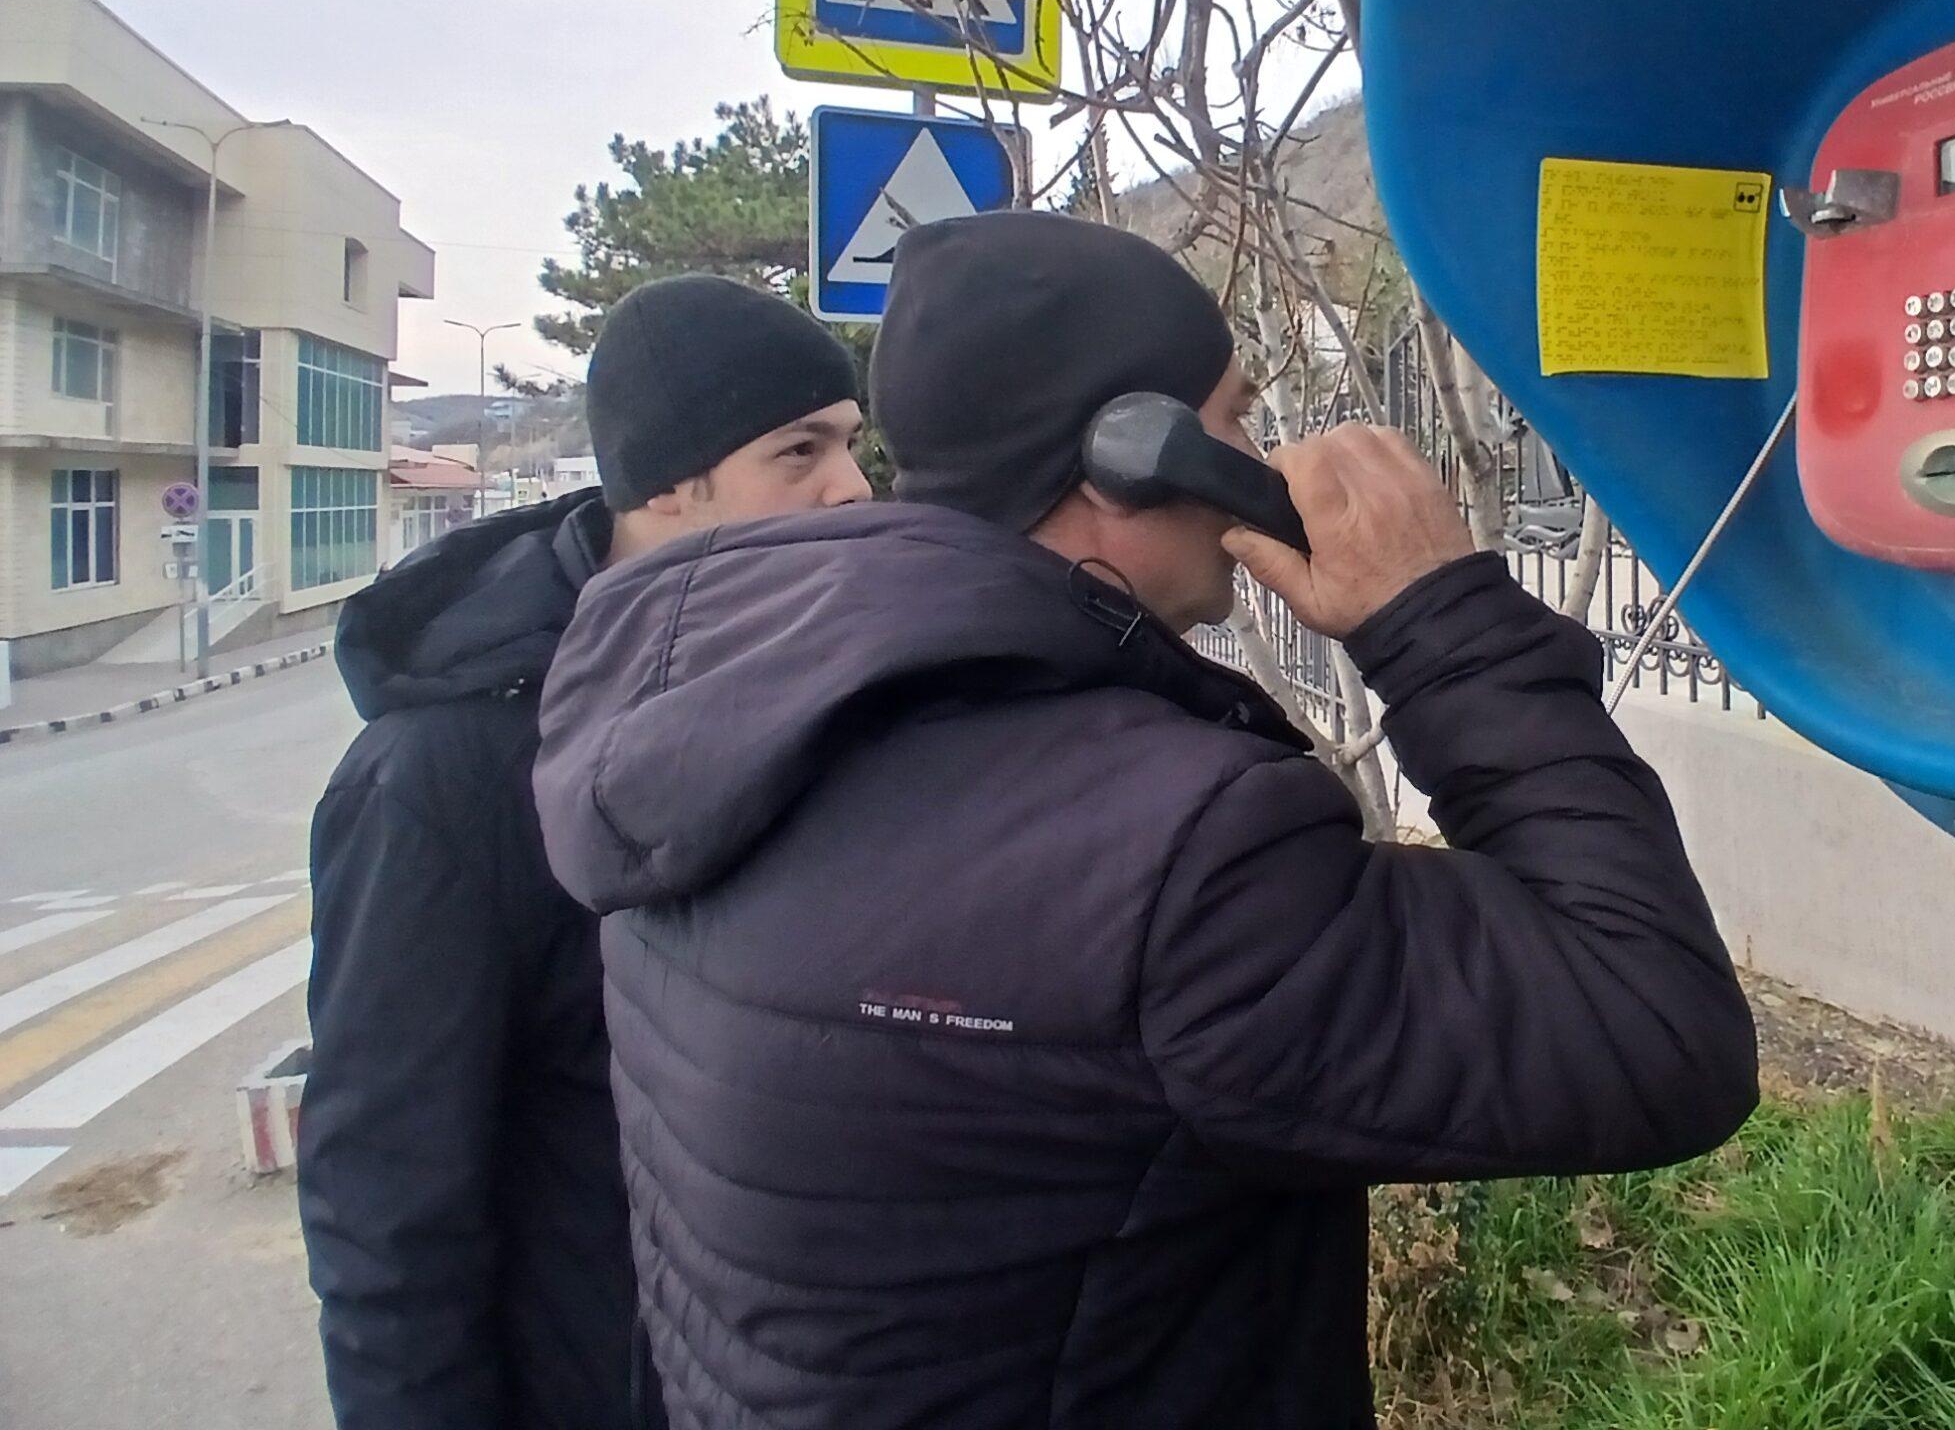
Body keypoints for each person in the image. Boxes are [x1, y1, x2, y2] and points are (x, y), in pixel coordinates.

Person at [533, 215, 1759, 1430]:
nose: (1263, 460)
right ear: (1133, 454)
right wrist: (1439, 623)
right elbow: (1650, 1029)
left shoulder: (709, 733)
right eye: (1230, 421)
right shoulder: (1171, 853)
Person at [299, 275, 872, 1430]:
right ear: (669, 480)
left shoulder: (818, 694)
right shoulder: (443, 778)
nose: (853, 487)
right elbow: (388, 1206)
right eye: (800, 451)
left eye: (854, 444)